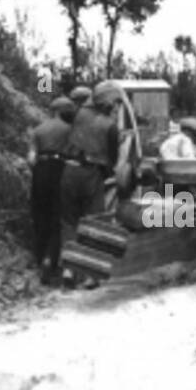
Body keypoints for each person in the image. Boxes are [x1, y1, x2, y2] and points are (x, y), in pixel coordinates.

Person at [60, 81, 122, 288]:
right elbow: (113, 158)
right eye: (114, 102)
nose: (115, 106)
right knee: (95, 221)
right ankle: (90, 276)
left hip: (69, 170)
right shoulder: (110, 126)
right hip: (92, 174)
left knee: (69, 221)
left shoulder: (77, 115)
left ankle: (68, 271)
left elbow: (68, 113)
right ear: (108, 102)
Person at [27, 95, 76, 284]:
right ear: (64, 112)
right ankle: (51, 260)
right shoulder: (70, 130)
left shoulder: (38, 130)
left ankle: (41, 261)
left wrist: (39, 171)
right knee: (58, 218)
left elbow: (31, 159)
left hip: (40, 171)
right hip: (61, 171)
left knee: (40, 216)